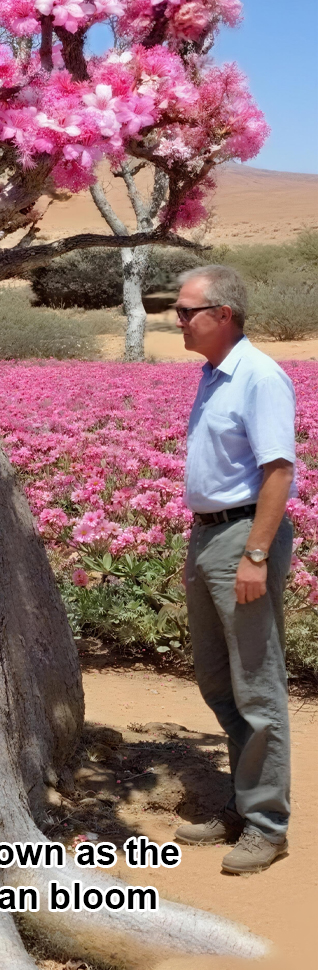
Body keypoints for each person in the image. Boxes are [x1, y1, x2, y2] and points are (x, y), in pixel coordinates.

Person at [172, 264, 296, 875]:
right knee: (218, 681)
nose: (178, 322)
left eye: (186, 311)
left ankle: (268, 825)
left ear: (223, 315)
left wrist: (254, 553)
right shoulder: (212, 376)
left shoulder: (258, 377)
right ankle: (244, 804)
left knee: (256, 685)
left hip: (244, 538)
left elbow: (278, 471)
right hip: (209, 538)